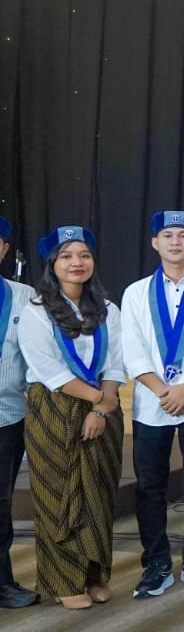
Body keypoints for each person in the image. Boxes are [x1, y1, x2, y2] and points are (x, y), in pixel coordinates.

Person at [16, 226, 125, 609]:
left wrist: (102, 407)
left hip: (104, 408)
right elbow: (49, 369)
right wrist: (97, 400)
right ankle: (64, 581)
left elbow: (116, 362)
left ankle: (95, 573)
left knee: (98, 492)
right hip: (54, 408)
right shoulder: (36, 311)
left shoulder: (109, 309)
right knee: (58, 494)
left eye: (84, 255)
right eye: (66, 256)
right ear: (52, 264)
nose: (76, 263)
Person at [122, 211, 184, 598]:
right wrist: (163, 390)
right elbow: (132, 350)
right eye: (168, 235)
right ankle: (157, 564)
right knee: (150, 487)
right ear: (155, 243)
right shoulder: (135, 293)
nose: (176, 241)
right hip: (152, 403)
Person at [0, 217, 37, 608]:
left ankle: (2, 583)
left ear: (5, 249)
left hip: (7, 416)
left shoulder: (24, 296)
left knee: (0, 505)